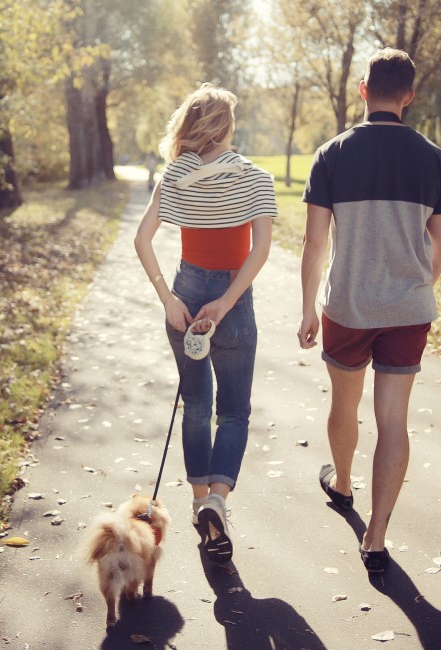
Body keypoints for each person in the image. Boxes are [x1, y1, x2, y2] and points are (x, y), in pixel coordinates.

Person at [298, 48, 441, 577]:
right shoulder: (433, 156)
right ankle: (377, 536)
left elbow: (314, 243)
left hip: (347, 304)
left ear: (363, 89)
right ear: (408, 96)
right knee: (394, 420)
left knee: (346, 402)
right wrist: (416, 286)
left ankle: (342, 483)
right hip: (408, 308)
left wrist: (307, 307)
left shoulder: (332, 153)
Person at [133, 83, 277, 565]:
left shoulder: (175, 175)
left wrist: (170, 298)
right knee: (234, 410)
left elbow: (143, 239)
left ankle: (199, 507)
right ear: (226, 126)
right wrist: (227, 301)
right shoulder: (255, 178)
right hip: (231, 299)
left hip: (186, 292)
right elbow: (259, 251)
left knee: (196, 404)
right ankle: (216, 500)